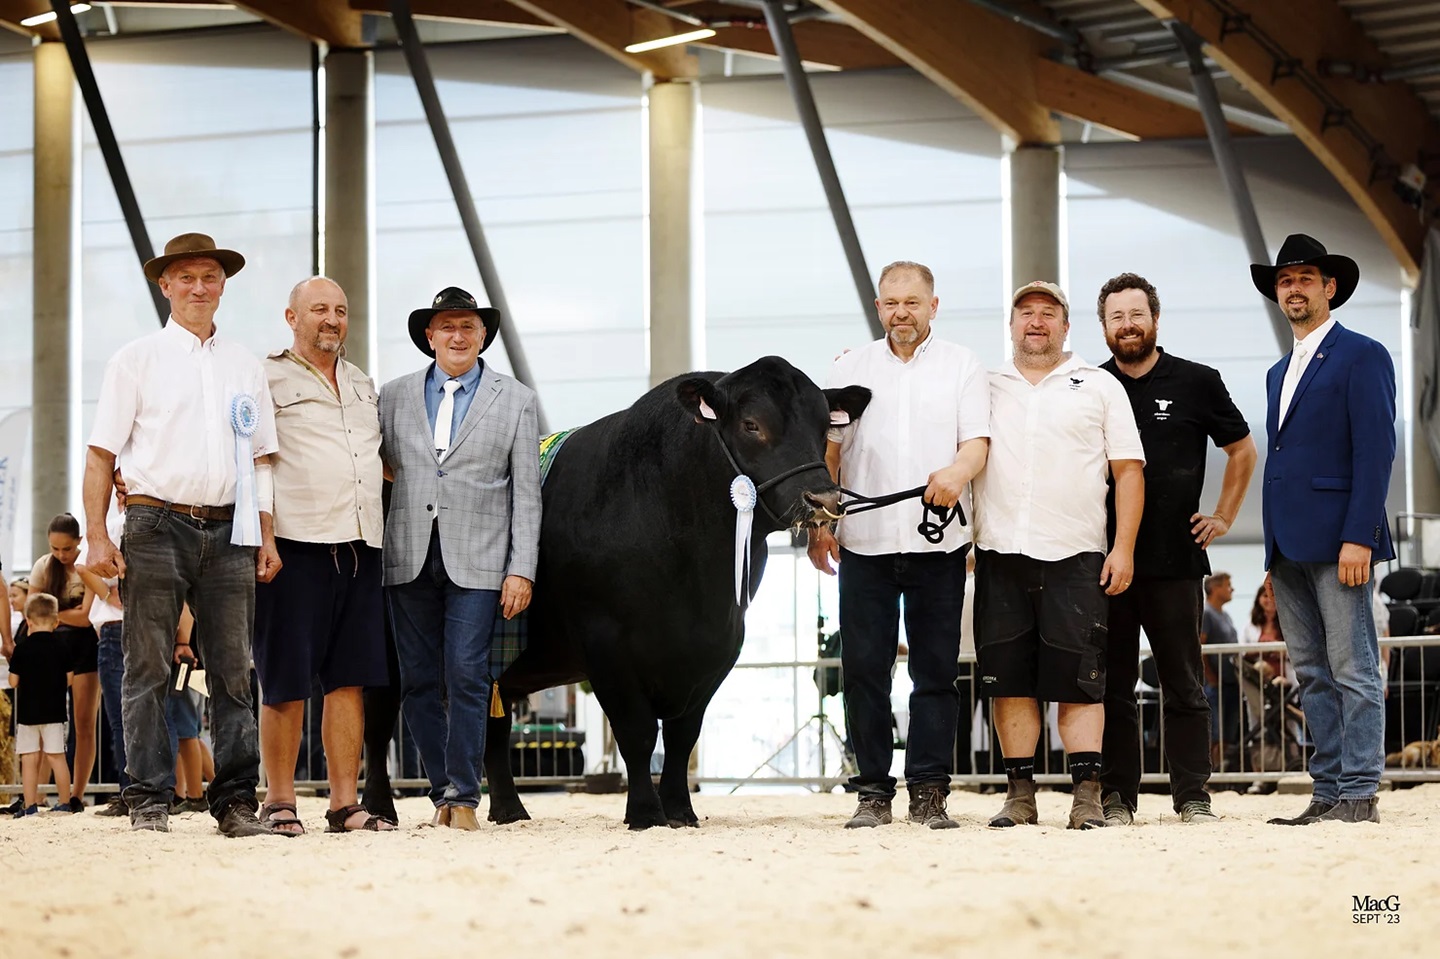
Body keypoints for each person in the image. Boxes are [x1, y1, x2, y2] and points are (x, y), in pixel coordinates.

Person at [82, 232, 281, 837]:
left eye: (211, 277)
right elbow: (99, 456)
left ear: (223, 286)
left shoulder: (247, 364)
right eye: (187, 277)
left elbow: (264, 459)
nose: (200, 287)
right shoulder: (135, 359)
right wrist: (97, 535)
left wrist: (266, 536)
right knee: (146, 668)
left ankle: (235, 801)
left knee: (234, 670)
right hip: (152, 522)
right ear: (164, 285)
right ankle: (147, 796)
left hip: (231, 527)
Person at [807, 260, 990, 831]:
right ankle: (871, 792)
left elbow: (976, 445)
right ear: (880, 307)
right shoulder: (848, 366)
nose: (900, 313)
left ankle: (930, 791)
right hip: (864, 542)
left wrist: (956, 475)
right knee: (864, 671)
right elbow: (830, 452)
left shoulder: (963, 364)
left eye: (912, 302)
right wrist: (820, 520)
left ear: (933, 306)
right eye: (890, 303)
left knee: (935, 672)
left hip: (940, 543)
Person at [972, 281, 1145, 830]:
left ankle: (1087, 796)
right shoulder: (984, 385)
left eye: (1048, 313)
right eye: (1026, 313)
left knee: (1080, 681)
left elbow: (1128, 472)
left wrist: (1122, 548)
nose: (1037, 322)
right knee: (1009, 680)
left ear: (1066, 327)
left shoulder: (1100, 386)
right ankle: (1019, 795)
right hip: (999, 552)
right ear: (1012, 324)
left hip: (1077, 555)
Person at [1095, 273, 1255, 825]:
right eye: (1116, 317)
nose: (1128, 325)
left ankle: (1193, 795)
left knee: (1183, 683)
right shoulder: (1089, 385)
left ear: (1155, 319)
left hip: (1176, 561)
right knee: (1113, 686)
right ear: (1104, 326)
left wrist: (1225, 516)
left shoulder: (1197, 380)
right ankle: (1118, 796)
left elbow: (1242, 450)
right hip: (1106, 562)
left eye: (1136, 314)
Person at [380, 286, 541, 831]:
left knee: (468, 674)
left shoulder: (515, 399)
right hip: (407, 554)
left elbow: (527, 492)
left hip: (482, 560)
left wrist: (522, 568)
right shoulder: (393, 396)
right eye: (446, 326)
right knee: (418, 681)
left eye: (467, 326)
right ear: (429, 336)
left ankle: (466, 799)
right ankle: (442, 793)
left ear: (483, 336)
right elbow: (376, 465)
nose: (456, 335)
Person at [1252, 234, 1397, 825]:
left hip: (1342, 540)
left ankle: (1361, 789)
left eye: (1304, 278)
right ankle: (1330, 789)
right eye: (1285, 281)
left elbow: (1376, 449)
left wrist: (1359, 534)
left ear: (1329, 287)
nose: (1293, 288)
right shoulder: (1276, 370)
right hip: (1287, 544)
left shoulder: (1363, 354)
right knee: (1310, 671)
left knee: (1354, 668)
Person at [254, 276, 392, 834]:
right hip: (293, 546)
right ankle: (280, 799)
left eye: (340, 309)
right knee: (284, 678)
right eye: (318, 309)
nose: (331, 319)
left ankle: (344, 803)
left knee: (350, 680)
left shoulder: (363, 383)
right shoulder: (264, 377)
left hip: (360, 548)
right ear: (292, 318)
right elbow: (256, 463)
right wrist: (263, 538)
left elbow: (381, 460)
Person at [29, 513, 100, 813]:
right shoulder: (43, 566)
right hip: (51, 649)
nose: (61, 555)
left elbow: (86, 618)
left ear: (79, 542)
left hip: (85, 649)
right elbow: (32, 612)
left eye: (67, 549)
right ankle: (39, 794)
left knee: (84, 723)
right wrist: (59, 618)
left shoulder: (88, 566)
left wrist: (53, 617)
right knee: (45, 721)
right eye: (55, 549)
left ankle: (75, 794)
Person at [75, 505, 129, 817]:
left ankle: (129, 790)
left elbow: (82, 567)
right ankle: (155, 789)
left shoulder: (109, 522)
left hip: (113, 627)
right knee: (150, 713)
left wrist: (109, 595)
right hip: (145, 625)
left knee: (121, 718)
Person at [8, 593, 74, 817]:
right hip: (55, 711)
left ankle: (30, 806)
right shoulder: (62, 646)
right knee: (57, 756)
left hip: (28, 713)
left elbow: (13, 681)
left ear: (28, 621)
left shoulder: (22, 648)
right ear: (56, 622)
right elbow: (70, 679)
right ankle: (65, 802)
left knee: (29, 758)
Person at [1199, 572, 1244, 777]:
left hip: (1230, 681)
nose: (1231, 589)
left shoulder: (1224, 615)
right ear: (1215, 588)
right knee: (1214, 730)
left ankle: (1222, 772)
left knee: (1227, 729)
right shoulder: (1207, 613)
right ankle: (1210, 775)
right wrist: (1210, 677)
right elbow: (1201, 645)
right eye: (1228, 585)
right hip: (1215, 683)